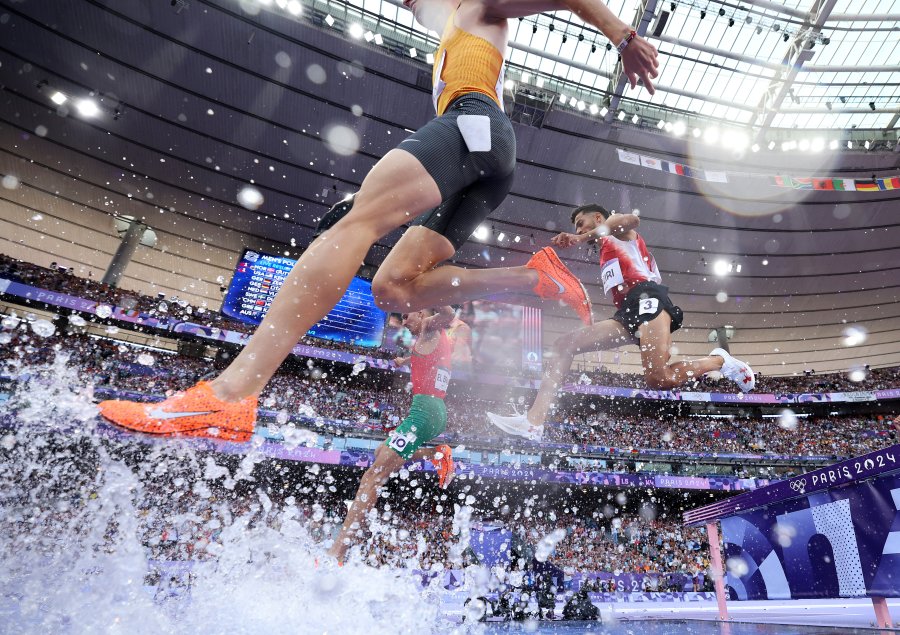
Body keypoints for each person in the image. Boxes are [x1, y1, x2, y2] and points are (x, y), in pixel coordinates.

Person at [98, 0, 659, 440]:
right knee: (391, 289)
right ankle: (533, 277)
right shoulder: (453, 33)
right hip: (484, 151)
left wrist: (625, 38)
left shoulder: (475, 8)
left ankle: (230, 394)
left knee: (351, 227)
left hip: (476, 124)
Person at [488, 203, 755, 440]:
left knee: (658, 379)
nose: (579, 228)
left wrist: (581, 236)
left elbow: (631, 220)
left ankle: (719, 360)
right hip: (627, 312)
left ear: (597, 217)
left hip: (649, 298)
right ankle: (534, 423)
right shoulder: (604, 246)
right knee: (564, 345)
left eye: (581, 222)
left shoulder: (617, 230)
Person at [328, 306, 457, 562]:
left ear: (422, 313)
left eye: (407, 316)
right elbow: (429, 356)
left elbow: (448, 315)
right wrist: (405, 360)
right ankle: (436, 454)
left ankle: (338, 552)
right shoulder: (433, 339)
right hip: (433, 410)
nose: (403, 322)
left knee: (373, 476)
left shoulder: (430, 327)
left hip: (423, 413)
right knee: (380, 453)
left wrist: (430, 293)